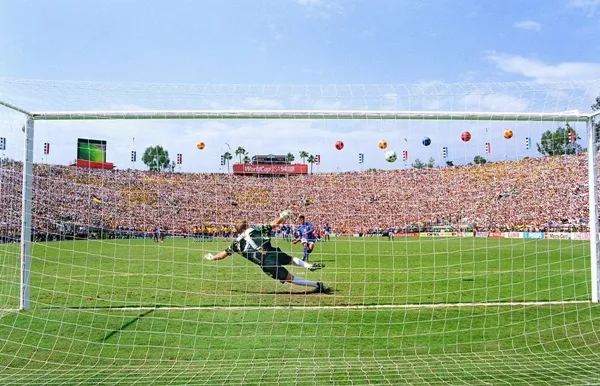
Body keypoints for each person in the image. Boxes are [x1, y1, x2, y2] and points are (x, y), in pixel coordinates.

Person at [203, 209, 330, 293]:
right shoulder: (254, 229)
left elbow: (223, 255)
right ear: (246, 227)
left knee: (290, 278)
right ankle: (308, 265)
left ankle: (317, 285)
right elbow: (274, 224)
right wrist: (283, 216)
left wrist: (213, 257)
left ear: (237, 232)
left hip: (265, 262)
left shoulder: (235, 244)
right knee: (291, 260)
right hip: (272, 252)